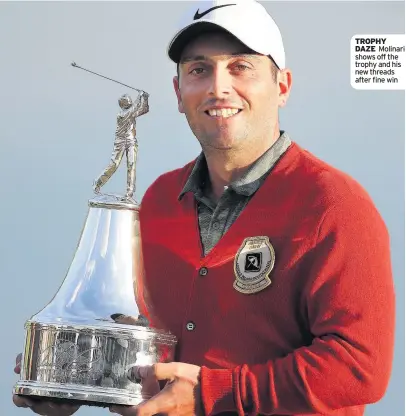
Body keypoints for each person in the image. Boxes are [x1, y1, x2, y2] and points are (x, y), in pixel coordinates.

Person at [13, 0, 395, 415]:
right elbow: (154, 340)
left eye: (240, 67)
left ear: (282, 86)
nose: (218, 87)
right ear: (179, 94)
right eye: (199, 70)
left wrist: (209, 393)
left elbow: (360, 367)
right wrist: (82, 378)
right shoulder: (159, 199)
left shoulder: (333, 203)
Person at [93, 91, 149, 199]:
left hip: (131, 141)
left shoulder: (131, 113)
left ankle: (129, 193)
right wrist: (140, 95)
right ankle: (98, 183)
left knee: (131, 165)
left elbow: (144, 109)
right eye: (127, 100)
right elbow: (135, 107)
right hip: (120, 142)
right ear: (123, 104)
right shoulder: (122, 115)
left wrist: (145, 99)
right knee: (114, 164)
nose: (130, 101)